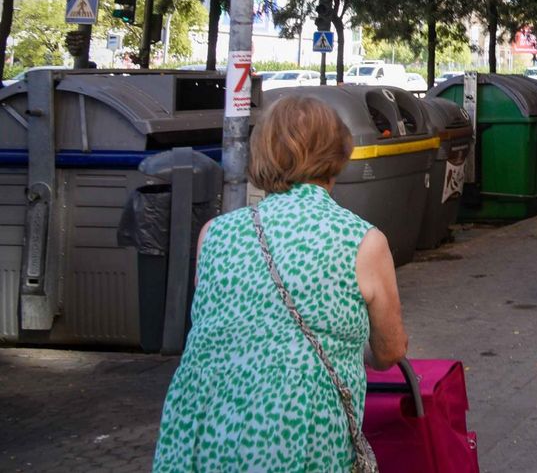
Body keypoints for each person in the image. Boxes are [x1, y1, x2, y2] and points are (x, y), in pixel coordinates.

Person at [153, 95, 408, 472]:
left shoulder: (214, 234)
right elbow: (389, 351)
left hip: (199, 430)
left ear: (260, 155)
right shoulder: (363, 242)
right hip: (297, 436)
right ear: (337, 154)